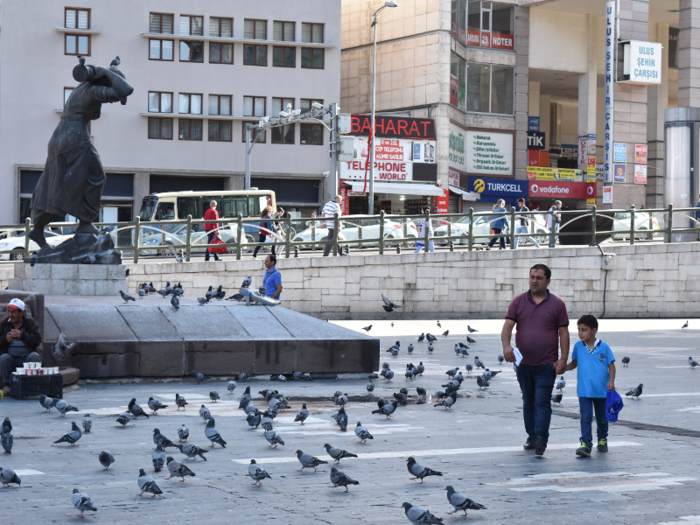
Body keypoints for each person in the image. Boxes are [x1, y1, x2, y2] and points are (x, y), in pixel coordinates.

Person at [29, 61, 134, 248]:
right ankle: (85, 224)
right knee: (94, 178)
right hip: (75, 136)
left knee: (55, 183)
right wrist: (104, 71)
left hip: (62, 135)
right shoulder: (93, 90)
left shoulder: (83, 88)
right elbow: (126, 90)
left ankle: (39, 228)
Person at [501, 263, 570, 457]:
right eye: (532, 277)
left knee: (542, 401)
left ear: (548, 281)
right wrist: (507, 346)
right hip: (523, 364)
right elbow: (507, 326)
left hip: (547, 364)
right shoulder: (518, 302)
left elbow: (563, 333)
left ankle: (541, 437)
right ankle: (532, 435)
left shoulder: (557, 304)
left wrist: (563, 359)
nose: (534, 281)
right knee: (528, 401)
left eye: (539, 278)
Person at [565, 314, 616, 457]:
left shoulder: (604, 347)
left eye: (584, 330)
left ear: (594, 331)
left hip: (601, 390)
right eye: (579, 329)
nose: (580, 333)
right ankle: (586, 443)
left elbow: (611, 366)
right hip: (584, 390)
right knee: (585, 417)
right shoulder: (578, 346)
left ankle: (602, 439)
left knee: (601, 417)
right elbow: (574, 363)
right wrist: (563, 368)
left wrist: (611, 381)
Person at [0, 299, 42, 394]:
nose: (10, 315)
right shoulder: (3, 324)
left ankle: (31, 386)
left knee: (35, 356)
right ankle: (8, 386)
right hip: (11, 359)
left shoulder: (31, 323)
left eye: (13, 312)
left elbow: (37, 340)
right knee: (4, 357)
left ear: (21, 313)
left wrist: (22, 336)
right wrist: (5, 340)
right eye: (9, 311)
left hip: (27, 359)